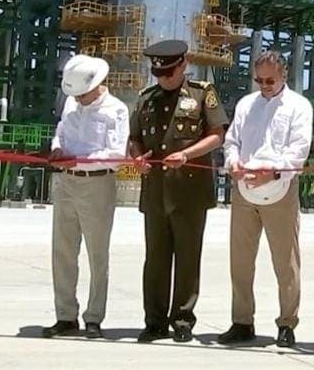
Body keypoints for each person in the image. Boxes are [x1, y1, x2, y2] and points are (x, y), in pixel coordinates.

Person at [128, 40, 229, 343]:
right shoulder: (146, 98)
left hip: (189, 191)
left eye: (169, 72)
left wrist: (188, 154)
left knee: (187, 258)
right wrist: (136, 156)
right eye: (159, 73)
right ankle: (154, 320)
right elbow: (134, 138)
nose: (164, 78)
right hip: (156, 191)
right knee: (155, 259)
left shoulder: (202, 94)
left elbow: (217, 136)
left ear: (183, 65)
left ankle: (183, 319)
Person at [218, 51, 313, 348]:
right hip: (244, 190)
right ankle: (242, 321)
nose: (265, 85)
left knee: (285, 262)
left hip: (279, 189)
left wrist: (271, 174)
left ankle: (287, 323)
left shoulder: (299, 106)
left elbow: (299, 150)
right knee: (240, 261)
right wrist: (233, 162)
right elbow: (232, 139)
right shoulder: (247, 104)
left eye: (270, 80)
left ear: (284, 74)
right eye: (259, 80)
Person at [42, 55, 128, 339]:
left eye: (82, 94)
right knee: (63, 252)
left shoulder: (116, 110)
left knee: (96, 254)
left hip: (97, 186)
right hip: (66, 184)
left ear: (97, 84)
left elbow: (115, 157)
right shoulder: (71, 102)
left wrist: (76, 161)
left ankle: (94, 317)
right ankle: (65, 315)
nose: (77, 100)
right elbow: (61, 133)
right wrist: (57, 149)